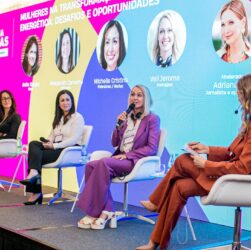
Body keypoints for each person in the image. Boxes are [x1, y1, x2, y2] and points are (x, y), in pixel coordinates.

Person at [136, 73, 251, 250]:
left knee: (182, 160)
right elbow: (230, 153)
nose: (236, 94)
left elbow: (243, 168)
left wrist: (206, 164)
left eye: (238, 91)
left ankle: (155, 201)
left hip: (237, 183)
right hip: (226, 177)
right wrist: (206, 149)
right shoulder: (247, 123)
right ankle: (156, 243)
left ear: (247, 94)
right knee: (179, 187)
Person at [77, 85, 160, 230]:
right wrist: (118, 125)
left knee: (103, 163)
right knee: (91, 165)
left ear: (146, 98)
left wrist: (128, 155)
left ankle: (93, 213)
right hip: (119, 158)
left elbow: (151, 148)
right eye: (133, 94)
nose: (135, 97)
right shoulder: (126, 117)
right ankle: (107, 210)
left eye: (139, 95)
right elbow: (115, 143)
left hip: (135, 161)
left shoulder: (152, 119)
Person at [20, 90, 84, 205]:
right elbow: (52, 136)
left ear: (72, 101)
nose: (65, 103)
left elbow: (73, 140)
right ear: (58, 104)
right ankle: (34, 173)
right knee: (33, 144)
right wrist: (48, 142)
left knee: (35, 156)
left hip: (69, 150)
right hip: (56, 148)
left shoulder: (77, 118)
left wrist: (54, 146)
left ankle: (36, 192)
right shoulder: (58, 118)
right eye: (62, 100)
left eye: (67, 100)